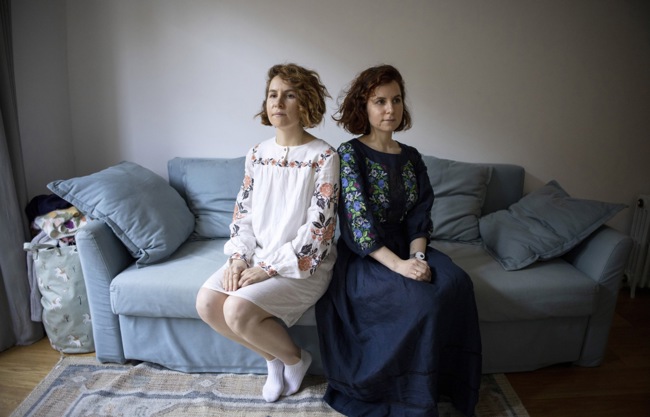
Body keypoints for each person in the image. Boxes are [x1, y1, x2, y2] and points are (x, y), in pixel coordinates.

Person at [315, 65, 482, 417]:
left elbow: (421, 215)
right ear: (364, 106)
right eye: (380, 101)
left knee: (458, 283)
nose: (390, 109)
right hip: (367, 255)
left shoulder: (412, 157)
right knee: (421, 301)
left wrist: (417, 259)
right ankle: (405, 396)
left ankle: (445, 385)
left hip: (410, 248)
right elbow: (357, 221)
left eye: (396, 100)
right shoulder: (349, 154)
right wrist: (401, 266)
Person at [196, 63, 339, 403]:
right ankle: (275, 360)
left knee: (236, 310)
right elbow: (243, 213)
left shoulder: (324, 156)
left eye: (289, 95)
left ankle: (296, 359)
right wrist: (238, 258)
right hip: (256, 255)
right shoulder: (257, 154)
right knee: (208, 304)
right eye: (273, 95)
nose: (277, 102)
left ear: (305, 103)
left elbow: (319, 230)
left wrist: (269, 268)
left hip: (302, 265)